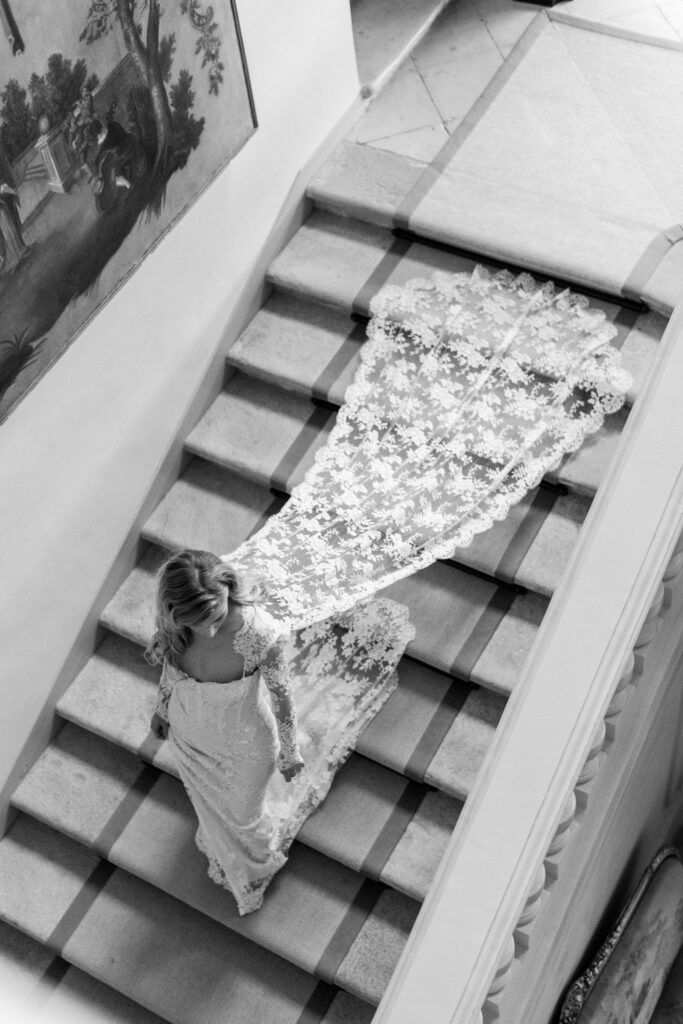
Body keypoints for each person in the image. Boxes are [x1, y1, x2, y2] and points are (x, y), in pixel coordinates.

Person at [146, 549, 305, 914]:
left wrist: (290, 749)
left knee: (245, 816)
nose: (209, 630)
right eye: (196, 622)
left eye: (215, 616)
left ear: (228, 590)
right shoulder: (178, 627)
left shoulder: (259, 634)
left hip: (246, 745)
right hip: (189, 737)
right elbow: (171, 671)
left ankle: (258, 864)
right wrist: (161, 707)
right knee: (210, 805)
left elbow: (282, 696)